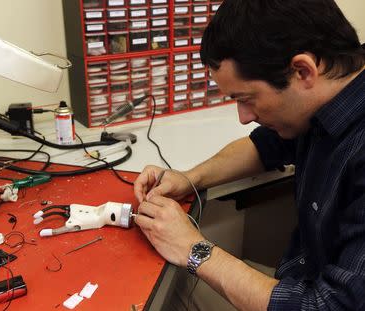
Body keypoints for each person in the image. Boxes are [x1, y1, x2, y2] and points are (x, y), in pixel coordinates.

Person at [133, 0, 365, 310]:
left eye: (247, 99)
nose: (243, 117)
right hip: (301, 278)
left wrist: (193, 248)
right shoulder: (330, 92)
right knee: (179, 290)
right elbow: (266, 145)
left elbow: (327, 306)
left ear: (302, 70)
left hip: (314, 301)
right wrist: (190, 177)